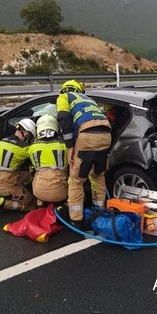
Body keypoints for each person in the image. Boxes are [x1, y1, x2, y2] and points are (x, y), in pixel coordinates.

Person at [56, 80, 112, 227]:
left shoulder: (64, 97)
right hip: (106, 134)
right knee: (98, 175)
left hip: (87, 134)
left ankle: (76, 220)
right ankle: (100, 212)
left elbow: (63, 118)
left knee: (76, 180)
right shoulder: (89, 100)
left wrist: (69, 147)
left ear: (64, 89)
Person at [0, 118, 37, 216]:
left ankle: (16, 190)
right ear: (26, 133)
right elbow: (36, 152)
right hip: (3, 182)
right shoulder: (22, 148)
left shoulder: (3, 141)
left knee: (29, 175)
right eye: (30, 136)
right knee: (31, 202)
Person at [28, 114, 68, 204]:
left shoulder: (32, 147)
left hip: (38, 192)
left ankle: (40, 205)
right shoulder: (65, 146)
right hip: (61, 193)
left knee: (36, 174)